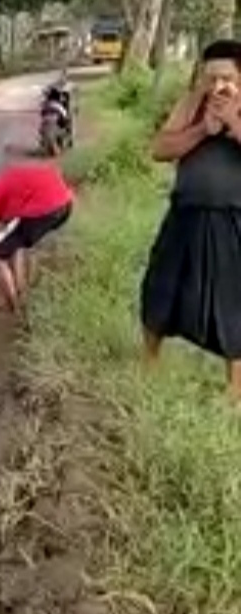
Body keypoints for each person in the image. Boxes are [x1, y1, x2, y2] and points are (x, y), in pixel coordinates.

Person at [143, 38, 241, 399]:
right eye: (211, 77)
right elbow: (159, 149)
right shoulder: (191, 105)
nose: (218, 86)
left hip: (233, 223)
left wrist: (232, 122)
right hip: (184, 214)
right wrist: (203, 130)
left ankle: (235, 393)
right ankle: (148, 367)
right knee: (160, 288)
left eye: (227, 77)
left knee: (233, 304)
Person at [0, 163, 73, 313]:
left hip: (46, 206)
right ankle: (19, 294)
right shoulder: (3, 189)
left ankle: (13, 308)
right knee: (9, 246)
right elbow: (12, 240)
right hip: (64, 204)